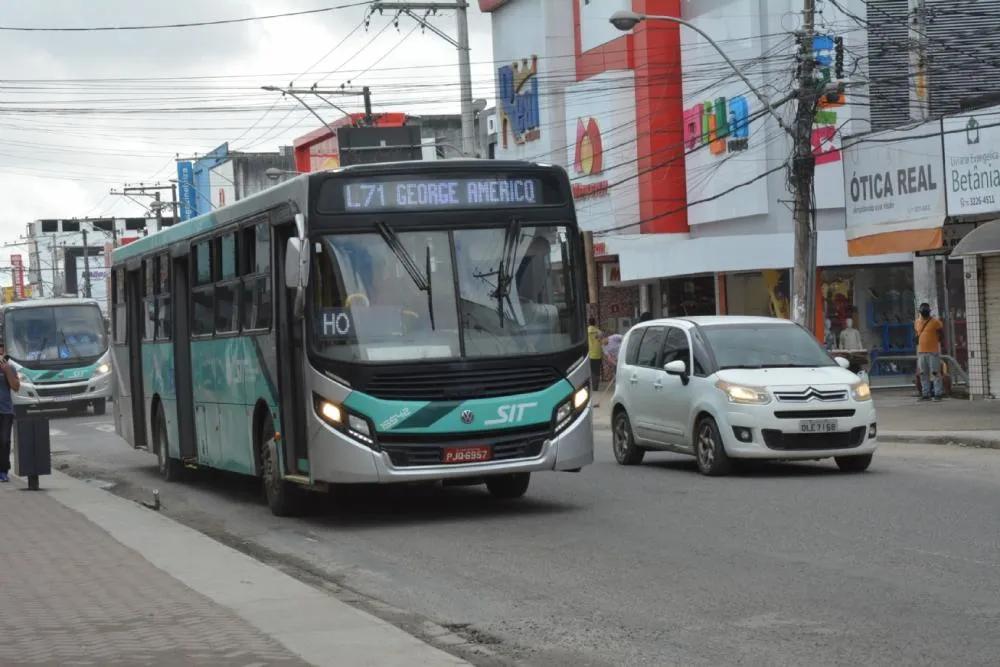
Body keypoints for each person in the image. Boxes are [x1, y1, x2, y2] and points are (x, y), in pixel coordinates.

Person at [0, 343, 21, 482]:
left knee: (4, 441)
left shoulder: (9, 368)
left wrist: (7, 370)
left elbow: (16, 387)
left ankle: (3, 471)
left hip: (6, 410)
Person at [915, 302, 944, 402]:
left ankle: (938, 393)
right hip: (922, 351)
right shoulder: (917, 322)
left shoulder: (935, 322)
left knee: (935, 373)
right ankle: (925, 394)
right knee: (923, 374)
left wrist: (938, 342)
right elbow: (917, 333)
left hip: (932, 351)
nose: (924, 313)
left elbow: (941, 333)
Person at [587, 318, 603, 394]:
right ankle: (596, 386)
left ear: (589, 323)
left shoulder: (586, 331)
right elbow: (600, 340)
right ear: (595, 323)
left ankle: (593, 386)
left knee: (592, 371)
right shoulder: (599, 332)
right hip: (598, 353)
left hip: (591, 354)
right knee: (597, 371)